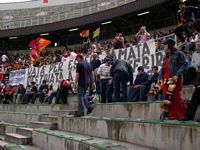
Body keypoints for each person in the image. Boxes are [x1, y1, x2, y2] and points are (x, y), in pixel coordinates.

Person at [158, 38, 188, 120]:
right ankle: (172, 115)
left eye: (165, 45)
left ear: (169, 45)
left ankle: (182, 115)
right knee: (167, 98)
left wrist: (177, 75)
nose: (163, 46)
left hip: (175, 79)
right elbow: (163, 68)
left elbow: (185, 64)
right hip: (165, 80)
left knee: (176, 97)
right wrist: (159, 78)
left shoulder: (179, 53)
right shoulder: (166, 55)